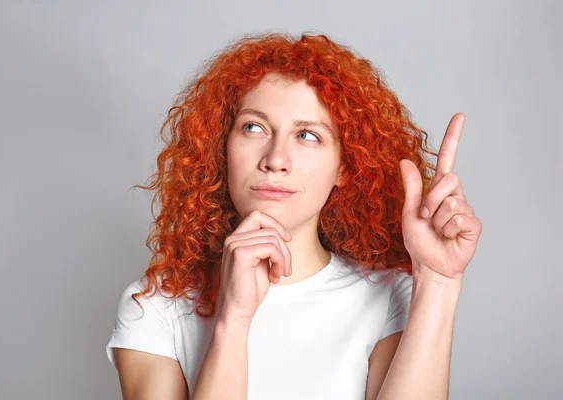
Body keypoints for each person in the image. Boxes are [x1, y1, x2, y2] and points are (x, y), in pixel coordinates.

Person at [105, 32, 482, 400]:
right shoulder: (153, 308)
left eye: (307, 136)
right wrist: (232, 321)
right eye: (253, 127)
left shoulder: (388, 299)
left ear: (345, 168)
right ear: (222, 149)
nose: (275, 160)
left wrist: (437, 282)